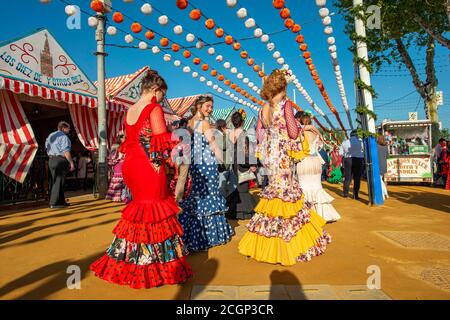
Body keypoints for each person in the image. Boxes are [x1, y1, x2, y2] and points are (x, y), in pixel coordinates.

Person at [90, 70, 192, 288]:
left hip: (131, 166)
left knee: (139, 211)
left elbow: (133, 140)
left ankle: (132, 259)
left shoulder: (129, 111)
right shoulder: (153, 108)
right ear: (155, 90)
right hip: (148, 168)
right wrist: (178, 143)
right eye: (163, 95)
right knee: (156, 211)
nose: (163, 99)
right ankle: (157, 265)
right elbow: (160, 138)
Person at [238, 69, 331, 266]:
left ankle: (268, 241)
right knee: (286, 194)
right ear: (283, 86)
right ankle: (286, 242)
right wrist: (304, 127)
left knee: (274, 193)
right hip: (282, 155)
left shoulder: (263, 108)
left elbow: (260, 135)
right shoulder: (286, 105)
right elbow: (292, 131)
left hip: (270, 155)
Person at [179, 96, 234, 252]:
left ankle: (193, 235)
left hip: (195, 165)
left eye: (211, 106)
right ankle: (211, 236)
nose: (210, 109)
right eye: (208, 106)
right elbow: (213, 145)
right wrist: (223, 161)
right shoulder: (203, 123)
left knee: (197, 197)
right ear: (198, 106)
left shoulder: (189, 123)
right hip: (207, 164)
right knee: (210, 195)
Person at [296, 114, 341, 223]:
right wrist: (315, 129)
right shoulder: (316, 134)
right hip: (316, 161)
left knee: (304, 187)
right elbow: (320, 147)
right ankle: (323, 214)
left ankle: (306, 214)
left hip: (304, 161)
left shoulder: (299, 133)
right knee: (317, 187)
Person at [226, 111, 257, 220]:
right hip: (242, 163)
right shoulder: (243, 134)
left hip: (232, 164)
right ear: (242, 122)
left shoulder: (229, 134)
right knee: (242, 189)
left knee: (235, 188)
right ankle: (244, 212)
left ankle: (233, 211)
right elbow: (247, 152)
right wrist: (252, 164)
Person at [45, 121, 75, 209]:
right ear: (63, 128)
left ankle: (61, 201)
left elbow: (46, 147)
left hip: (51, 160)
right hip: (60, 160)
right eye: (68, 128)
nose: (69, 130)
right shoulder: (63, 137)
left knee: (57, 181)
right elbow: (66, 151)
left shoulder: (50, 135)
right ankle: (54, 203)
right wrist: (71, 163)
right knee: (59, 182)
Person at [171, 118, 192, 203]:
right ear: (184, 124)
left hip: (174, 155)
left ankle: (175, 194)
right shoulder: (185, 132)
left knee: (177, 176)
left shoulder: (174, 132)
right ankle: (178, 197)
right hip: (183, 155)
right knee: (182, 177)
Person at [340, 130, 364, 199]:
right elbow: (363, 150)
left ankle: (346, 194)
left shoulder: (344, 142)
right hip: (358, 159)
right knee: (357, 178)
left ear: (350, 135)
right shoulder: (360, 142)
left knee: (347, 177)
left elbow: (341, 153)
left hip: (348, 160)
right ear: (356, 135)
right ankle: (355, 195)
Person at [105, 134, 126, 202]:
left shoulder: (123, 145)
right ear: (120, 139)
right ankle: (117, 197)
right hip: (118, 163)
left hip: (122, 163)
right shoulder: (116, 146)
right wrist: (119, 157)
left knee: (122, 179)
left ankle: (122, 196)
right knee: (119, 179)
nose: (124, 139)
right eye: (123, 138)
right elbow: (112, 157)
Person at [377, 135, 389, 200]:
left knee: (379, 180)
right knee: (380, 179)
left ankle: (384, 194)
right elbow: (387, 156)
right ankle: (385, 194)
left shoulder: (376, 147)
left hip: (378, 165)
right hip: (384, 165)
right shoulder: (385, 147)